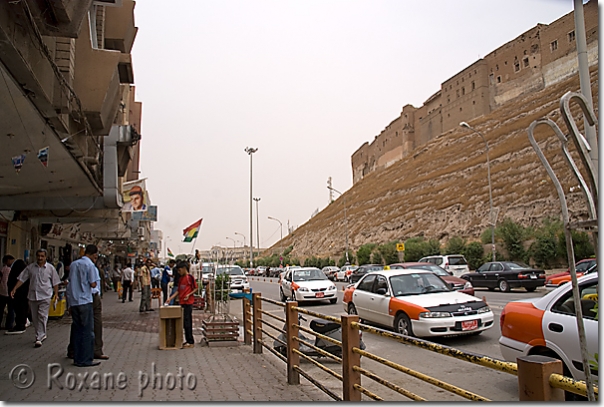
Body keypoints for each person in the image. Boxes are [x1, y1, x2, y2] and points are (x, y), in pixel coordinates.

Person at [10, 249, 60, 347]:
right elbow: (22, 278)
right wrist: (14, 289)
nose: (40, 258)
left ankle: (39, 336)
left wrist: (56, 294)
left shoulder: (50, 268)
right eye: (38, 256)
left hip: (45, 295)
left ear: (46, 257)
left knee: (42, 315)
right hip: (33, 296)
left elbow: (55, 282)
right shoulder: (31, 268)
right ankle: (41, 333)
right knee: (35, 317)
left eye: (42, 256)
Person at [65, 244, 100, 367]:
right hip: (85, 301)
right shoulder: (90, 265)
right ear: (94, 254)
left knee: (77, 330)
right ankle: (85, 359)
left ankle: (77, 357)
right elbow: (93, 284)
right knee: (87, 332)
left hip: (74, 301)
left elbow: (69, 283)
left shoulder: (74, 264)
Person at [165, 261, 197, 348]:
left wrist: (188, 295)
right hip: (182, 302)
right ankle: (186, 340)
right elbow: (178, 291)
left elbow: (195, 289)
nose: (178, 272)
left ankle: (190, 341)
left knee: (187, 322)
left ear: (184, 269)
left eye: (179, 270)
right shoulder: (181, 279)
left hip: (188, 303)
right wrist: (170, 298)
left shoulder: (190, 278)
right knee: (183, 323)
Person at [5, 259, 28, 334]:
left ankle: (20, 325)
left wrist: (14, 289)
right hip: (19, 292)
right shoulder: (19, 265)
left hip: (19, 293)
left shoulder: (18, 265)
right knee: (19, 308)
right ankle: (21, 323)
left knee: (19, 308)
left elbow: (20, 279)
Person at [0, 255, 15, 330]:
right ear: (8, 261)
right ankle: (9, 325)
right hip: (8, 292)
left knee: (1, 308)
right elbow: (8, 281)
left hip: (2, 292)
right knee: (10, 309)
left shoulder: (3, 269)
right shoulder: (9, 269)